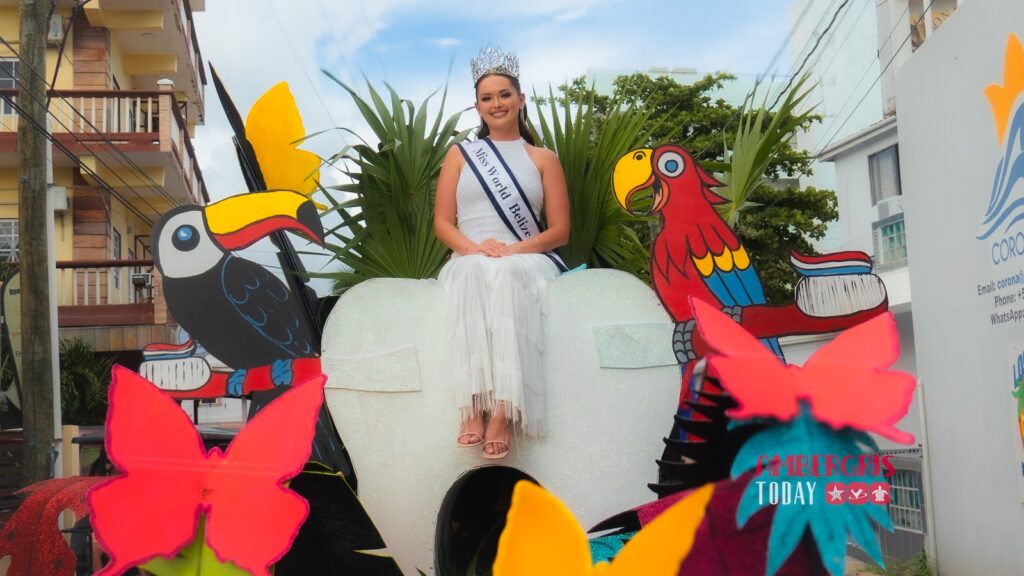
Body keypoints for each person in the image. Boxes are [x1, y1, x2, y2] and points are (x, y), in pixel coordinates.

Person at [434, 46, 570, 459]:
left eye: (504, 95)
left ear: (521, 99)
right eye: (487, 98)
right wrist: (475, 249)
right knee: (473, 272)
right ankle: (474, 406)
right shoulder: (460, 155)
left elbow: (561, 231)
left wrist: (512, 250)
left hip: (526, 256)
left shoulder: (544, 158)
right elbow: (442, 223)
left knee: (507, 275)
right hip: (470, 253)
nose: (497, 104)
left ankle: (505, 411)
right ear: (477, 106)